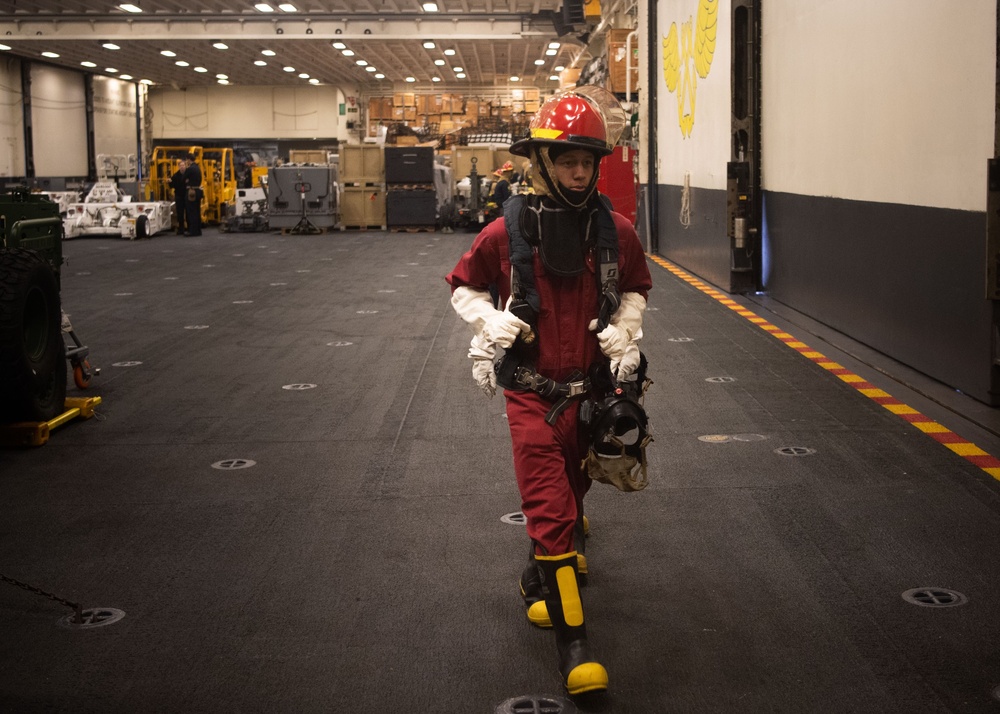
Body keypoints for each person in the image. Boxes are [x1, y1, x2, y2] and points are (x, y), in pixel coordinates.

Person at [445, 86, 652, 696]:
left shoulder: (616, 231)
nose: (579, 172)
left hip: (590, 392)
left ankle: (543, 574)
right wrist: (489, 320)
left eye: (587, 161)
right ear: (541, 163)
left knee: (574, 485)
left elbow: (637, 285)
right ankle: (576, 647)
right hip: (530, 391)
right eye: (566, 161)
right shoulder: (506, 231)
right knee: (551, 504)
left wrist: (626, 330)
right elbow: (463, 284)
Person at [183, 153, 203, 236]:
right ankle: (198, 230)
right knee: (197, 212)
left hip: (191, 192)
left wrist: (187, 181)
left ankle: (192, 231)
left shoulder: (190, 169)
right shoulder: (198, 168)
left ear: (188, 159)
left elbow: (183, 178)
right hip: (198, 191)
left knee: (191, 212)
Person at [170, 158, 187, 235]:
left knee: (188, 212)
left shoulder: (188, 174)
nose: (182, 167)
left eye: (183, 165)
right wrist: (169, 182)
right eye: (181, 165)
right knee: (180, 213)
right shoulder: (175, 176)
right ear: (178, 166)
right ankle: (181, 229)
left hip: (187, 196)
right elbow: (172, 185)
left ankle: (189, 227)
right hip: (179, 196)